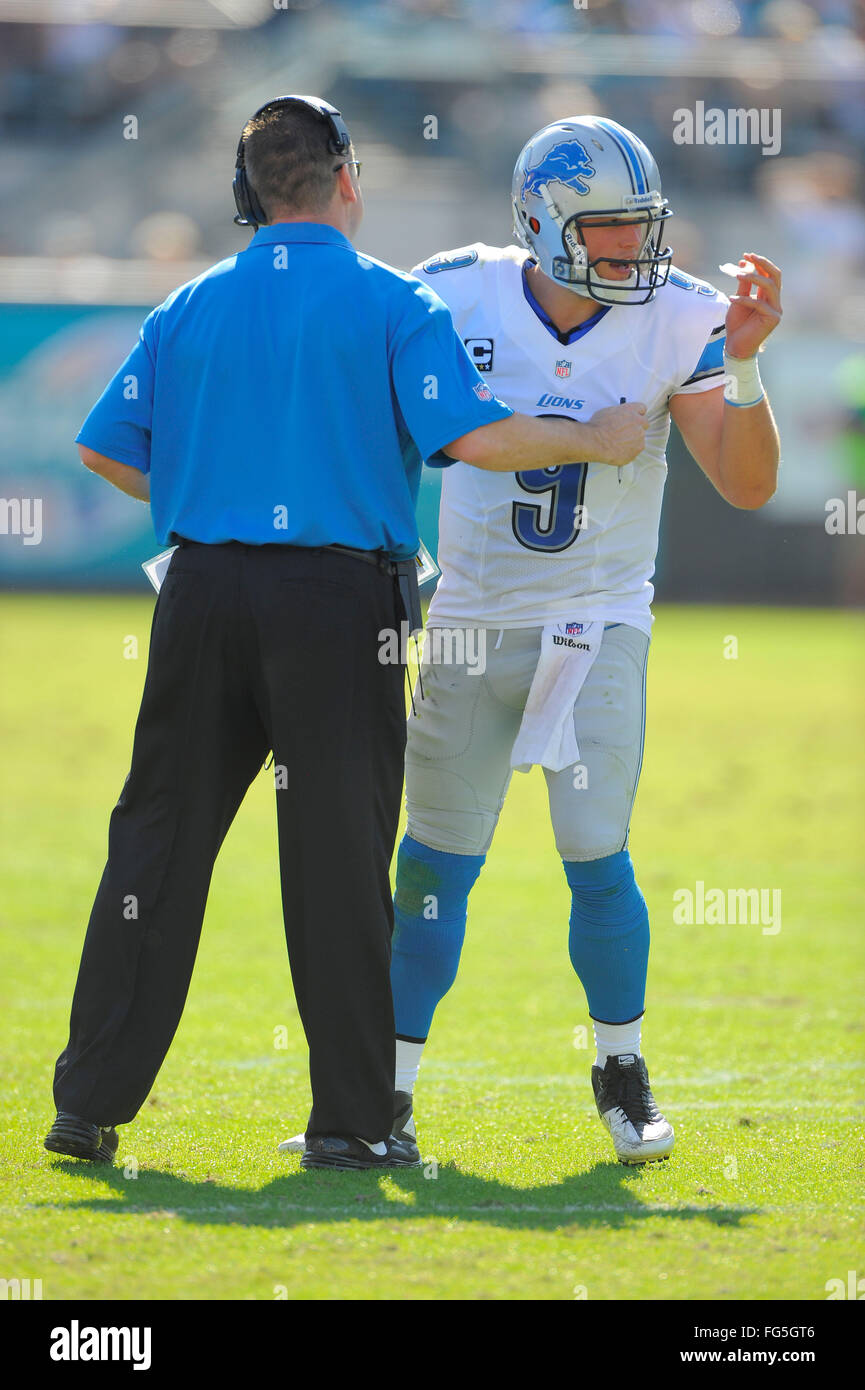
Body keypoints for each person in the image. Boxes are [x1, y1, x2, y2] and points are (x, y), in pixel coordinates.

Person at [44, 98, 647, 1174]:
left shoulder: (186, 304)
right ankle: (353, 1123)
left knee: (153, 849)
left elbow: (104, 450)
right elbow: (473, 435)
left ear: (248, 194)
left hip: (198, 596)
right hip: (335, 609)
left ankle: (87, 1107)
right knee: (334, 863)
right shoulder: (390, 300)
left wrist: (205, 497)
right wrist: (592, 433)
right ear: (347, 180)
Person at [282, 114, 781, 1165]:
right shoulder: (451, 291)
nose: (631, 250)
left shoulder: (678, 315)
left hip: (598, 620)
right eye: (608, 229)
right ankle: (387, 1093)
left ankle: (619, 1063)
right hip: (468, 619)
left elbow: (745, 484)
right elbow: (371, 431)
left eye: (641, 226)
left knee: (596, 852)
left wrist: (741, 370)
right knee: (431, 868)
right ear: (545, 221)